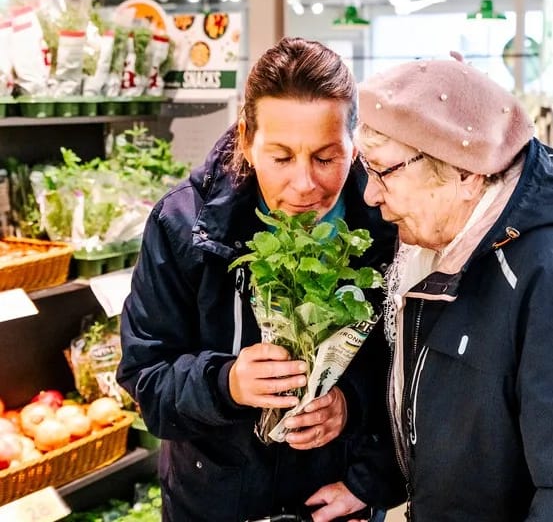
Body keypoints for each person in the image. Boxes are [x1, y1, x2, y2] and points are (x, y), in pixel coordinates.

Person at [354, 54, 553, 521]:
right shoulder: (436, 250)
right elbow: (459, 426)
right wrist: (375, 482)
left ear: (466, 174)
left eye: (385, 171)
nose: (370, 193)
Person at [117, 37, 404, 522]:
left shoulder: (389, 223)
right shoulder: (184, 225)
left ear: (355, 143)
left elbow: (417, 371)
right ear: (247, 138)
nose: (304, 184)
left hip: (334, 503)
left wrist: (358, 436)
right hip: (213, 502)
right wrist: (225, 383)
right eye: (281, 156)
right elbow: (146, 378)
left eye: (326, 157)